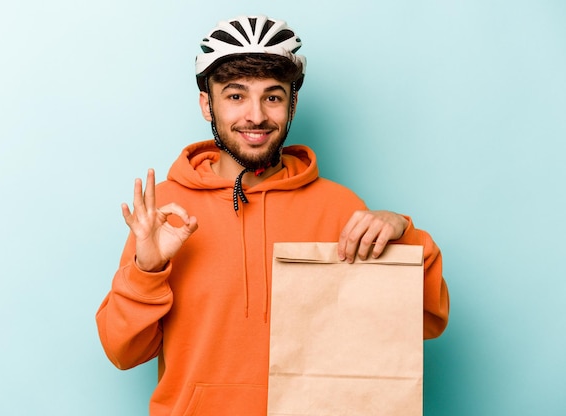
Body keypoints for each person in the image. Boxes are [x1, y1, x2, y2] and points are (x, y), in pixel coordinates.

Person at [96, 15, 449, 416]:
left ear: (292, 103)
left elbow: (422, 320)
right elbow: (123, 352)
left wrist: (402, 232)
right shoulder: (163, 211)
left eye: (273, 96)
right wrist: (147, 268)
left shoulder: (338, 208)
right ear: (206, 105)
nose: (256, 115)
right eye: (235, 96)